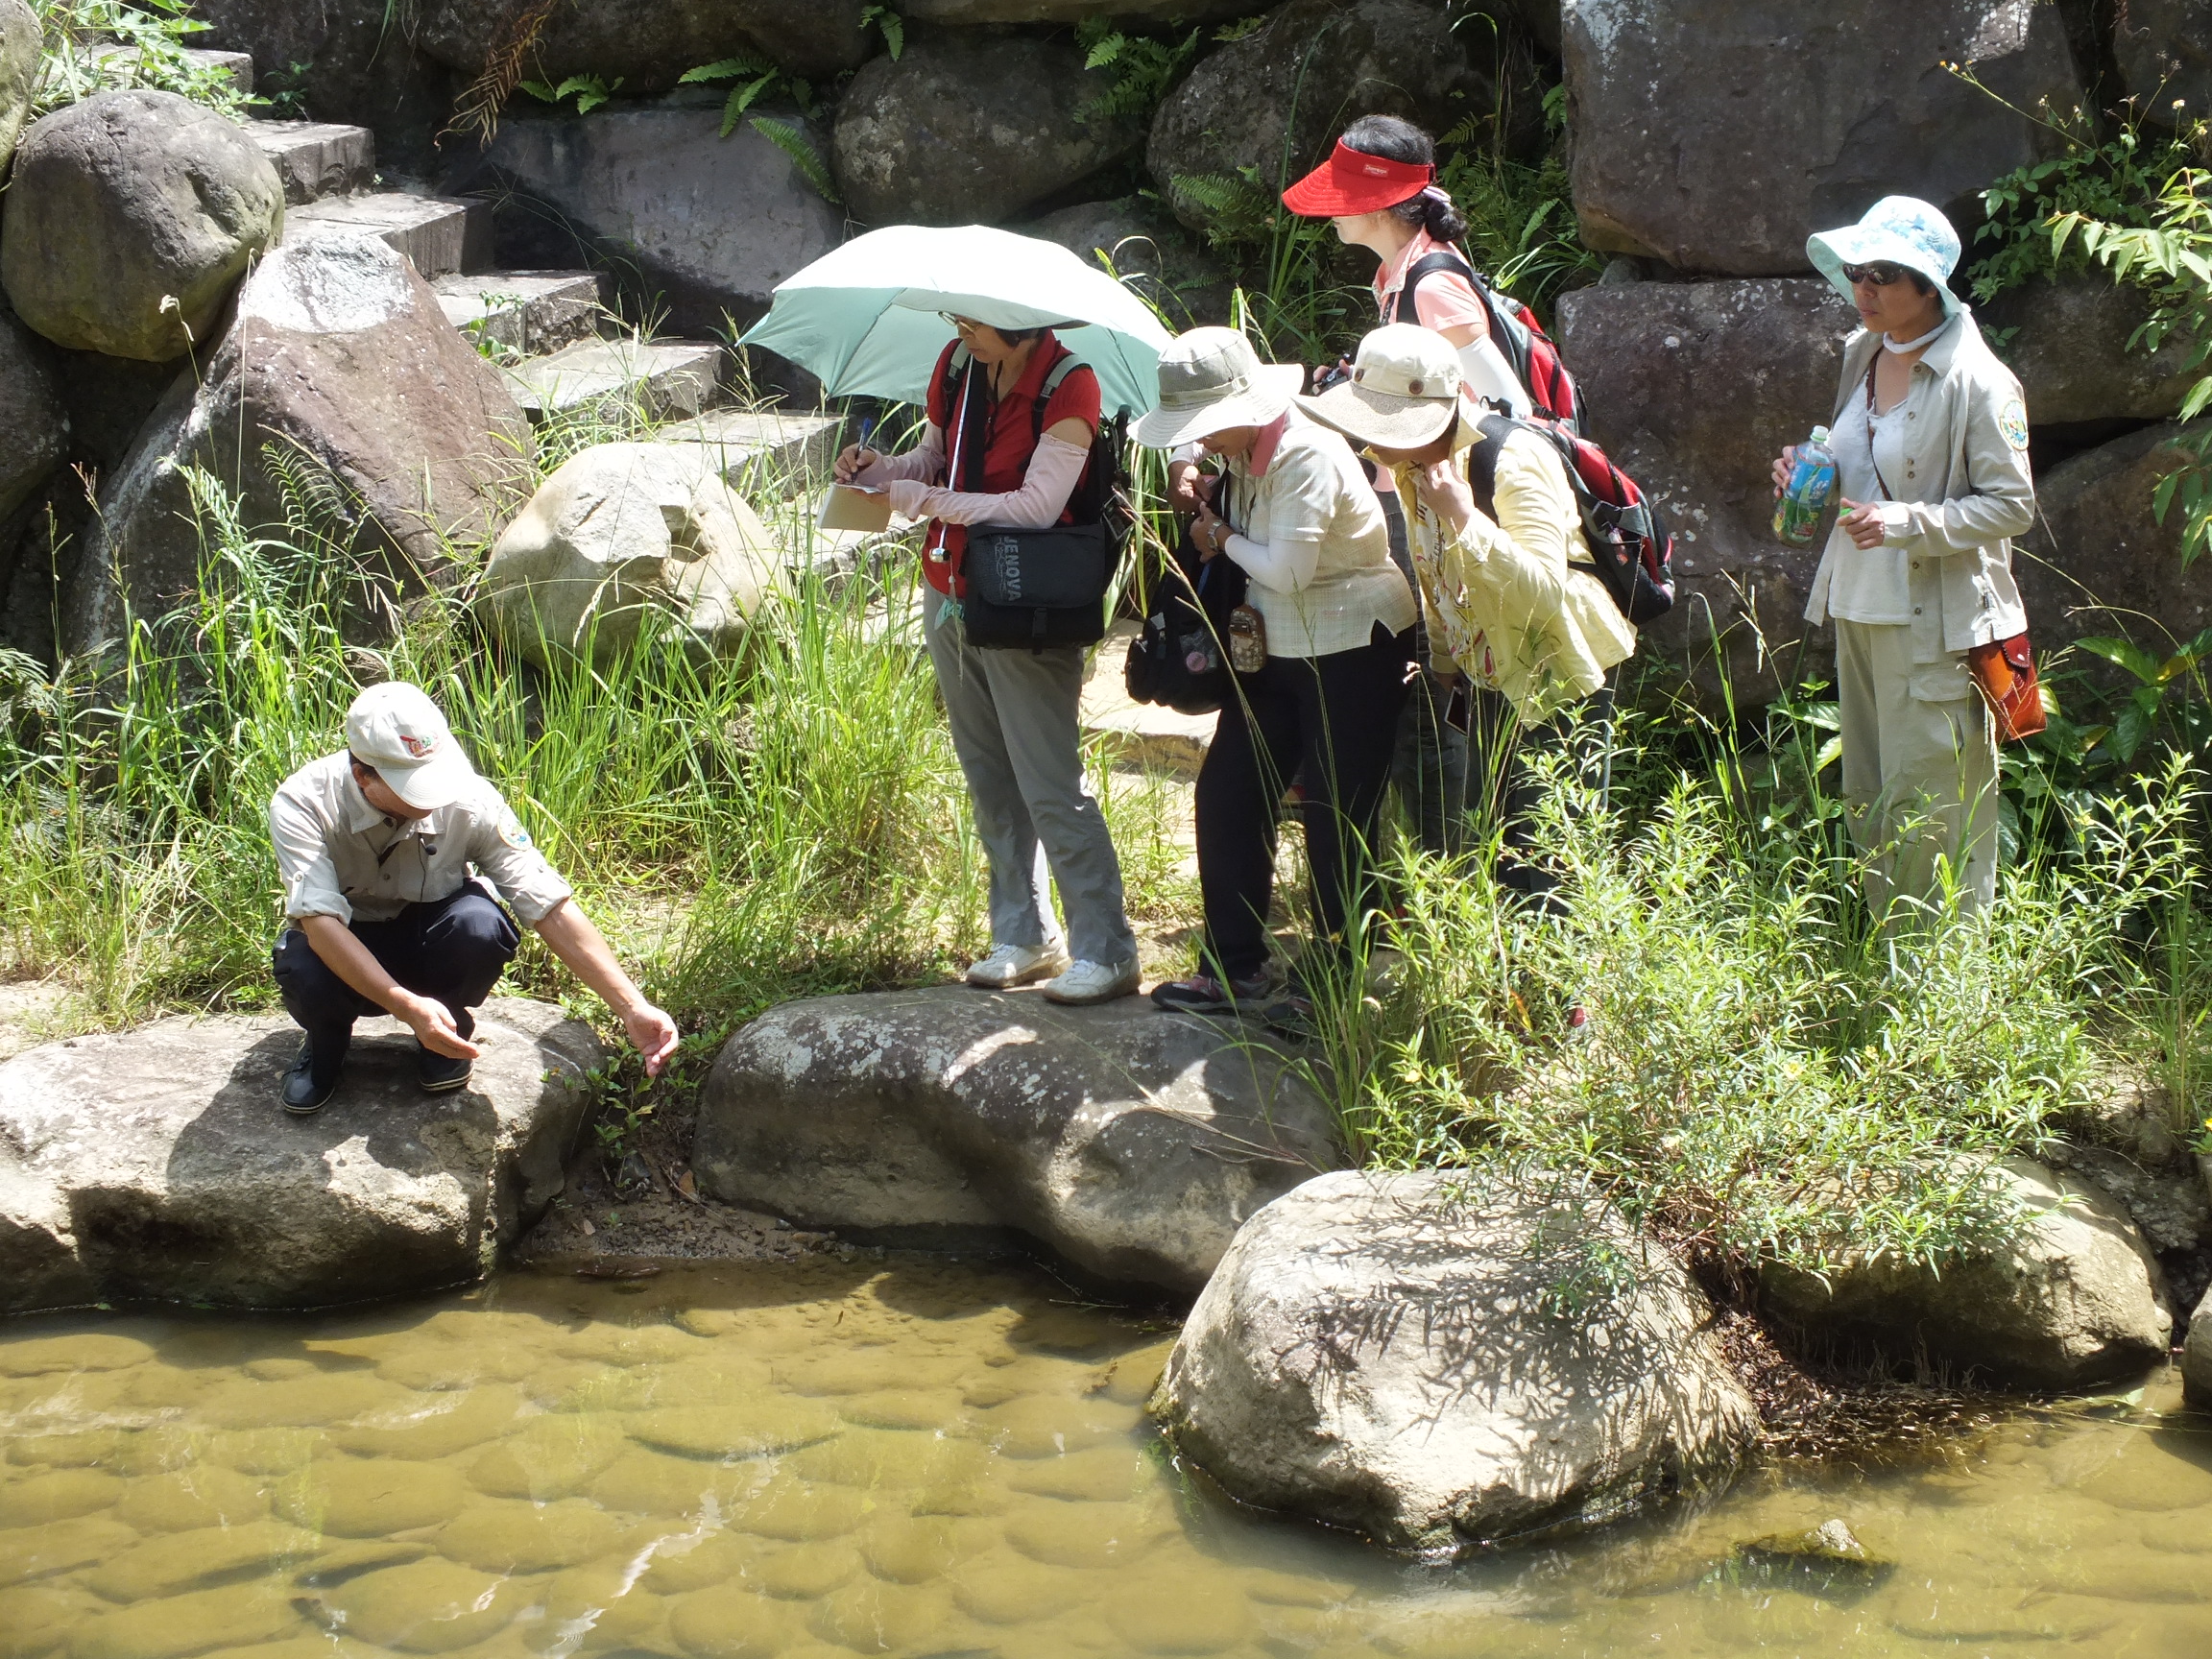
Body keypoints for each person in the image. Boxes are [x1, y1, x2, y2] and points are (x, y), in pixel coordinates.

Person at [834, 313, 1140, 1004]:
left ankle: (1107, 948)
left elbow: (1035, 507)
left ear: (1023, 325)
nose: (961, 330)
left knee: (1050, 782)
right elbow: (933, 458)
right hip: (948, 589)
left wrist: (924, 500)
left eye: (975, 324)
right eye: (958, 319)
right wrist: (881, 470)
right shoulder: (956, 365)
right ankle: (1024, 934)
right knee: (988, 774)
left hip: (1026, 605)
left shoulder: (1071, 385)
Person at [1302, 325, 1636, 914]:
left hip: (1559, 666)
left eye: (1384, 428)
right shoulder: (1413, 466)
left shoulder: (1513, 457)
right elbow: (1434, 576)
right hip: (1486, 669)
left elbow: (1543, 590)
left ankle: (1568, 1000)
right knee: (1497, 835)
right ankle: (1517, 997)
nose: (1371, 445)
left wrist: (1463, 516)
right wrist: (1443, 662)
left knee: (1550, 843)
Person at [1138, 327, 1417, 1029]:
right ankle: (1236, 966)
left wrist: (1217, 537)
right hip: (1277, 648)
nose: (1200, 439)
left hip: (1354, 644)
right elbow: (1196, 444)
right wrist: (1183, 461)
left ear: (1244, 406)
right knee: (1229, 793)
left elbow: (1288, 570)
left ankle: (1337, 980)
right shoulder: (1240, 445)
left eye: (1203, 428)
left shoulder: (1302, 455)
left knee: (1336, 817)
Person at [1278, 113, 1536, 859]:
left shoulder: (1431, 284)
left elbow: (1510, 407)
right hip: (1421, 506)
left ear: (1380, 203)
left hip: (1447, 514)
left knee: (1444, 691)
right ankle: (1444, 856)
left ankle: (1453, 858)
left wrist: (1446, 486)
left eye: (1343, 193)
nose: (1332, 208)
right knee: (1435, 689)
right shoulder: (1404, 273)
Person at [1780, 196, 2033, 918]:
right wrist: (1811, 473)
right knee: (1871, 798)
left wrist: (1908, 521)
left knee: (1937, 809)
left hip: (1936, 623)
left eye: (1886, 274)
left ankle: (1941, 995)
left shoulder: (1979, 380)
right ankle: (1885, 977)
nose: (1864, 288)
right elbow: (1861, 465)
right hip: (1859, 604)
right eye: (1858, 269)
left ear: (1932, 286)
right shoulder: (1863, 351)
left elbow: (2012, 505)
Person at [269, 682, 680, 1116]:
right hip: (346, 942)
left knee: (479, 927)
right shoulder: (303, 803)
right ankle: (327, 1044)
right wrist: (405, 1006)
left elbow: (547, 903)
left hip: (428, 937)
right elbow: (320, 923)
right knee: (303, 967)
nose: (433, 795)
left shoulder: (469, 796)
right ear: (362, 775)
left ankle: (447, 1025)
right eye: (412, 786)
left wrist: (631, 1007)